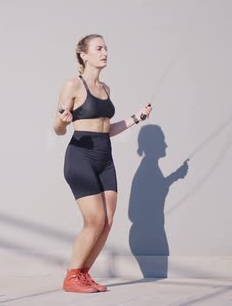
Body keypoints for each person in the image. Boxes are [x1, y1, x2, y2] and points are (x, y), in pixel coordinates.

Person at [53, 34, 152, 293]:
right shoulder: (73, 85)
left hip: (105, 159)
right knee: (95, 221)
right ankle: (71, 276)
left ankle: (83, 274)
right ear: (84, 55)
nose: (105, 52)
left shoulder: (106, 89)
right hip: (80, 157)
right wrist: (62, 121)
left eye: (106, 48)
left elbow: (106, 129)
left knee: (107, 222)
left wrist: (136, 118)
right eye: (99, 48)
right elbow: (57, 128)